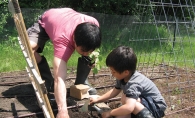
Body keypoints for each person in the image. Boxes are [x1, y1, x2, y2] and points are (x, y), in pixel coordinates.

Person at [27, 8, 101, 118]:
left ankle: (81, 81)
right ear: (74, 40)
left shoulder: (93, 24)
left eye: (89, 51)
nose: (86, 53)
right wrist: (62, 111)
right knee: (29, 49)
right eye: (83, 51)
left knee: (88, 54)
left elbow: (93, 48)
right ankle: (47, 80)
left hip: (66, 16)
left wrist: (92, 55)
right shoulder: (63, 42)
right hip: (47, 20)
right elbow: (60, 79)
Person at [89, 46, 166, 118]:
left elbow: (129, 108)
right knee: (125, 100)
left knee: (129, 103)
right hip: (144, 102)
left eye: (114, 71)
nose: (112, 73)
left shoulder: (133, 84)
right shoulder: (123, 77)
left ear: (126, 72)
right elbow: (114, 91)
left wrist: (110, 112)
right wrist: (98, 100)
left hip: (156, 107)